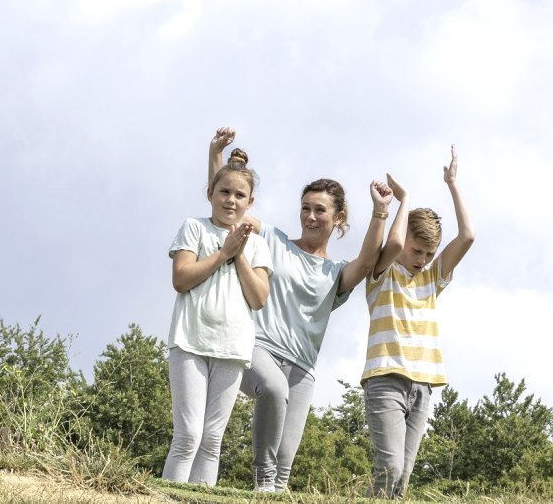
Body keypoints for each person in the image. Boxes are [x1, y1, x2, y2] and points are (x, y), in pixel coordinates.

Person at [205, 128, 399, 492]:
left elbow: (369, 259)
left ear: (338, 218)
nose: (310, 216)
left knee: (284, 468)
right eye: (305, 208)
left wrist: (380, 211)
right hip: (258, 349)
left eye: (320, 210)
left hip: (303, 369)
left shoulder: (336, 272)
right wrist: (216, 154)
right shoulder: (275, 241)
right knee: (273, 394)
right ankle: (261, 480)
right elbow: (228, 208)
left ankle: (270, 490)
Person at [360, 147, 475, 499]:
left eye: (429, 253)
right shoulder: (382, 271)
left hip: (423, 384)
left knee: (404, 477)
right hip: (385, 379)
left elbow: (467, 236)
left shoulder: (432, 277)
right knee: (390, 466)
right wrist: (403, 200)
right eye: (417, 251)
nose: (423, 260)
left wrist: (452, 184)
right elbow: (393, 242)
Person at [163, 148, 272, 486]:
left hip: (233, 348)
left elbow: (258, 298)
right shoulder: (194, 228)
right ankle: (168, 495)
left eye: (240, 195)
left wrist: (237, 254)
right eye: (224, 192)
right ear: (210, 193)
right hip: (191, 342)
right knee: (188, 435)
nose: (230, 200)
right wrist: (224, 252)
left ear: (250, 202)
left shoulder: (257, 245)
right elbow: (181, 279)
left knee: (211, 440)